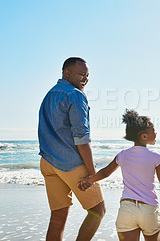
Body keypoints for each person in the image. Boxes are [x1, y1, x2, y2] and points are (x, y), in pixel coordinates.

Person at [78, 109, 160, 241]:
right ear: (143, 136)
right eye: (153, 130)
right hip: (148, 210)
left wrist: (89, 180)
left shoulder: (122, 155)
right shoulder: (156, 158)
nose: (156, 133)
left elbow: (105, 172)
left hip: (126, 210)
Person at [38, 57, 105, 241]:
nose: (86, 79)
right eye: (82, 74)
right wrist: (92, 174)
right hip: (71, 164)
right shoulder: (75, 94)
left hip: (48, 163)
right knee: (98, 210)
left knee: (57, 218)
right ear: (67, 73)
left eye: (88, 75)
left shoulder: (49, 95)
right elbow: (82, 139)